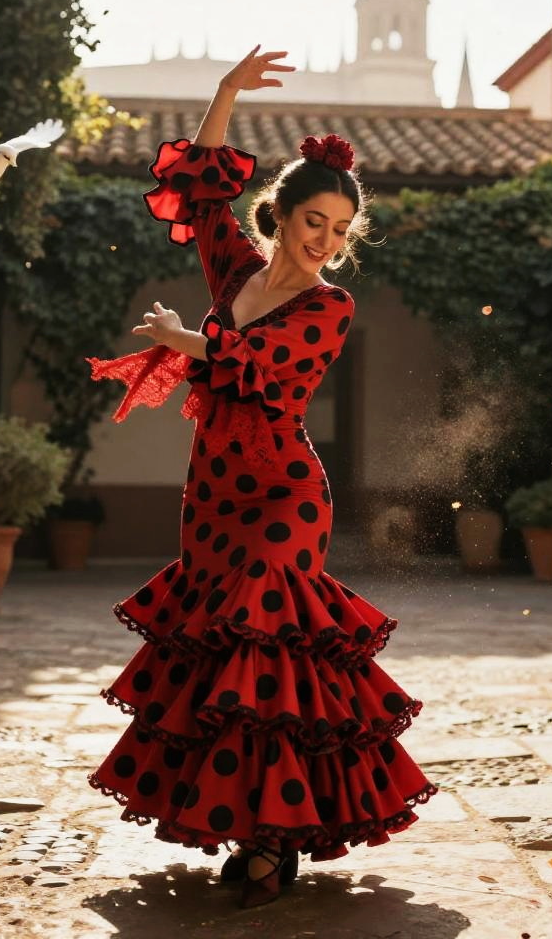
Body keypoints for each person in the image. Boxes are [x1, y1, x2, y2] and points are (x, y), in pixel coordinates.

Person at [86, 46, 436, 909]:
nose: (324, 240)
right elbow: (201, 190)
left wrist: (182, 343)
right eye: (312, 221)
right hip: (211, 497)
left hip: (283, 496)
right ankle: (242, 824)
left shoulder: (330, 307)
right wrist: (225, 95)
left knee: (271, 656)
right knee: (218, 666)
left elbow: (255, 366)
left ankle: (269, 844)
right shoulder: (235, 274)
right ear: (279, 216)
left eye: (338, 231)